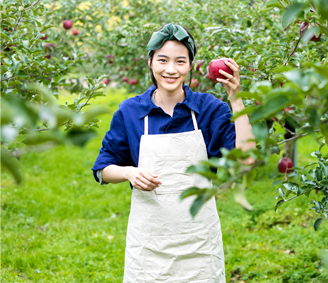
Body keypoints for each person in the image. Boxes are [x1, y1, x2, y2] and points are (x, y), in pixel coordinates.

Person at [92, 23, 255, 282]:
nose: (171, 69)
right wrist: (129, 172)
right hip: (149, 247)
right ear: (150, 62)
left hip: (199, 245)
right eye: (163, 60)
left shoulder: (210, 109)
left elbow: (246, 159)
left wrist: (236, 98)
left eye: (180, 61)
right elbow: (103, 168)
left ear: (190, 65)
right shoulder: (130, 112)